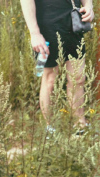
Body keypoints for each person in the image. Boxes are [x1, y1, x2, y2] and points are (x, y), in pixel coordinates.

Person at [20, 0, 94, 131]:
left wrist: (89, 6)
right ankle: (50, 128)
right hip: (46, 24)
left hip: (73, 19)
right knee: (50, 80)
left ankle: (80, 125)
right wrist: (35, 33)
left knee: (78, 78)